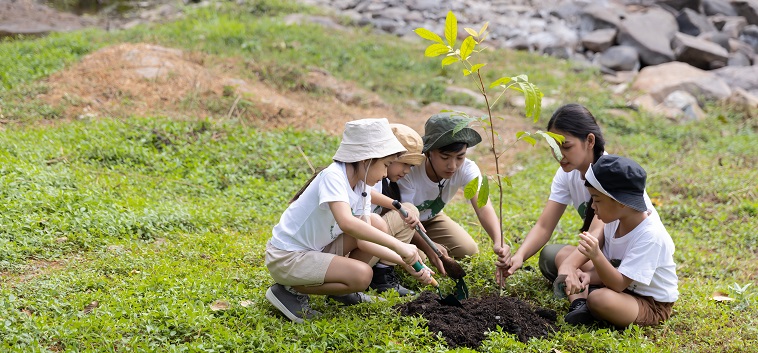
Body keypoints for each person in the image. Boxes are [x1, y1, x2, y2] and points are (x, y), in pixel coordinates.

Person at [264, 118, 433, 323]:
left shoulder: (361, 187)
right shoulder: (333, 176)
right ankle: (288, 289)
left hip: (314, 251)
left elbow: (364, 239)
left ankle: (341, 291)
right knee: (362, 275)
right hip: (287, 258)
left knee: (376, 225)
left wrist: (407, 261)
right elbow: (346, 223)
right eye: (386, 164)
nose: (386, 173)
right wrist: (400, 247)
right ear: (366, 159)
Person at [494, 104, 658, 291]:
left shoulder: (611, 177)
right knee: (550, 255)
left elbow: (597, 233)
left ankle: (598, 288)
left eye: (566, 146)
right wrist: (520, 256)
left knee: (565, 262)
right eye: (553, 148)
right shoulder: (566, 174)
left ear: (589, 141)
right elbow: (544, 226)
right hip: (600, 257)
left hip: (627, 265)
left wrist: (570, 265)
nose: (559, 155)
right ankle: (589, 286)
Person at [563, 154, 678, 327]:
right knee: (564, 255)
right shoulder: (614, 218)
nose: (592, 206)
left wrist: (595, 255)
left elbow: (618, 283)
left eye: (597, 200)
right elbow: (614, 268)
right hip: (618, 282)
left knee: (599, 299)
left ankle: (589, 304)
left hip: (647, 301)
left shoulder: (651, 236)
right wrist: (586, 275)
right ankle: (579, 306)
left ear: (621, 202)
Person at [396, 112, 507, 268]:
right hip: (404, 223)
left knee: (468, 250)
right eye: (445, 157)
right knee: (420, 257)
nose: (453, 165)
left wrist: (498, 241)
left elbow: (483, 206)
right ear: (429, 152)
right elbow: (402, 217)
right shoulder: (410, 170)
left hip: (431, 218)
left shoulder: (467, 169)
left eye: (460, 157)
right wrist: (429, 247)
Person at [360, 123, 450, 295]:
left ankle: (383, 269)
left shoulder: (387, 183)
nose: (407, 171)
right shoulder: (370, 178)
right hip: (354, 250)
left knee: (419, 256)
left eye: (411, 166)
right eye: (404, 163)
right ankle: (381, 276)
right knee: (410, 210)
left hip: (364, 245)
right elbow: (363, 192)